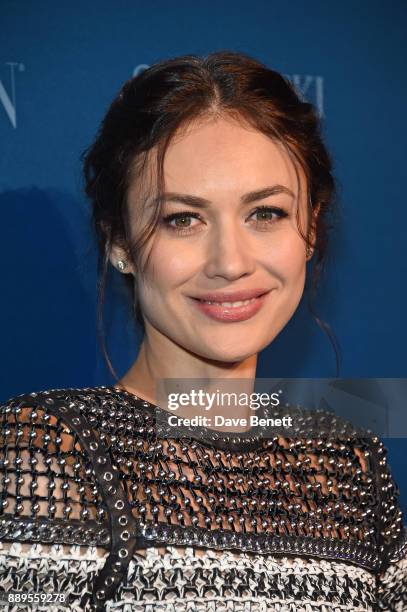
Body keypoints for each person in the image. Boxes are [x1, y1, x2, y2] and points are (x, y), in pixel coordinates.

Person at [0, 51, 406, 611]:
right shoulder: (49, 452)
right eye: (182, 219)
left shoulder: (348, 460)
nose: (230, 262)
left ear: (310, 228)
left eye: (265, 213)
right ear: (120, 241)